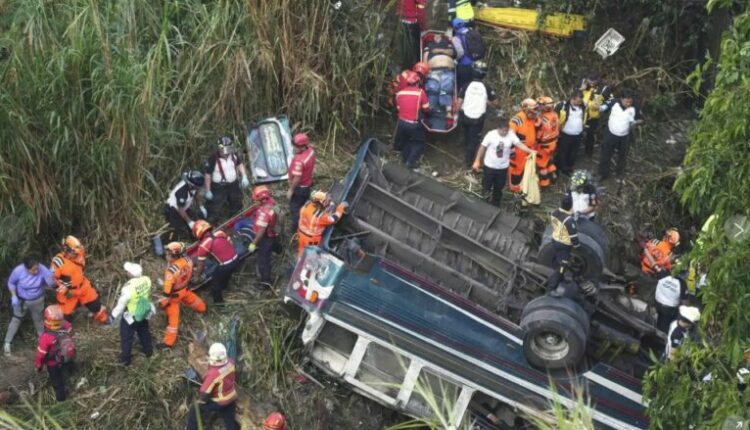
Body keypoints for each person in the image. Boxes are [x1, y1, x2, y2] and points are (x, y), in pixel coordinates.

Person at [472, 120, 534, 206]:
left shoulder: (511, 135)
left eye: (506, 130)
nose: (505, 132)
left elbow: (519, 144)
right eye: (503, 131)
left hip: (502, 168)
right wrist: (477, 160)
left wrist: (530, 151)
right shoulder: (491, 135)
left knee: (499, 188)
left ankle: (495, 204)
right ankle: (484, 202)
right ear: (498, 129)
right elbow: (482, 147)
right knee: (486, 185)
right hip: (490, 166)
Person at [50, 236, 109, 324]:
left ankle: (105, 321)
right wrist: (65, 291)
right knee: (65, 316)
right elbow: (53, 280)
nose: (76, 255)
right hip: (68, 292)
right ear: (66, 249)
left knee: (96, 306)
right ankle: (65, 330)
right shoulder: (58, 262)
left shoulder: (79, 252)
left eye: (77, 252)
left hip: (83, 287)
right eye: (73, 252)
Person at [4, 256, 55, 355]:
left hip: (37, 300)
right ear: (26, 268)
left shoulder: (42, 269)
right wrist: (13, 296)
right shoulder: (18, 271)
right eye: (33, 270)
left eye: (37, 269)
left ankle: (44, 345)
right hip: (21, 300)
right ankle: (7, 343)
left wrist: (50, 276)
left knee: (39, 321)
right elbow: (11, 283)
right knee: (16, 320)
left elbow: (51, 285)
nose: (36, 271)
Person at [159, 242, 206, 347]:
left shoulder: (171, 271)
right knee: (195, 301)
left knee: (173, 320)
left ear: (174, 255)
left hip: (174, 297)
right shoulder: (188, 260)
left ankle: (168, 342)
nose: (166, 255)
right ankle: (203, 308)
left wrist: (162, 304)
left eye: (167, 254)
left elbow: (166, 293)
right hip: (185, 290)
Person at [186, 343, 238, 430]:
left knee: (194, 409)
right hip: (232, 397)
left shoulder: (213, 374)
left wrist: (202, 401)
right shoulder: (231, 362)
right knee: (230, 422)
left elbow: (205, 393)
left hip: (220, 401)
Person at [110, 262, 154, 365]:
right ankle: (148, 351)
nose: (126, 273)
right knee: (144, 331)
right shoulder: (146, 280)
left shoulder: (128, 287)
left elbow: (121, 304)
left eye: (127, 272)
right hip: (144, 311)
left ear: (130, 274)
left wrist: (113, 315)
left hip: (132, 314)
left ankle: (125, 359)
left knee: (126, 336)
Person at [597, 92, 644, 180]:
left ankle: (619, 172)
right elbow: (604, 107)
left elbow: (641, 119)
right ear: (621, 99)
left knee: (623, 155)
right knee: (606, 153)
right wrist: (599, 108)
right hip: (610, 133)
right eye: (626, 101)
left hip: (624, 136)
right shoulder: (614, 102)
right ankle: (603, 173)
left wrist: (635, 122)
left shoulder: (635, 107)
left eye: (630, 102)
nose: (628, 104)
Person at [203, 136, 250, 223]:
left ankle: (236, 218)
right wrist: (208, 190)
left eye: (228, 149)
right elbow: (207, 175)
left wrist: (244, 176)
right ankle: (212, 222)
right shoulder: (213, 159)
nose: (226, 152)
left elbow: (240, 164)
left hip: (233, 184)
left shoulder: (233, 154)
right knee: (214, 205)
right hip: (219, 187)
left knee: (236, 201)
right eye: (224, 149)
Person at [459, 60, 495, 168]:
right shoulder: (487, 88)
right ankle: (467, 163)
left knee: (466, 133)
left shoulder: (466, 85)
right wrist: (486, 102)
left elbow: (459, 101)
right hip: (478, 119)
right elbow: (494, 103)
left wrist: (456, 112)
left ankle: (464, 147)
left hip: (465, 116)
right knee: (473, 141)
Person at [192, 221, 239, 303]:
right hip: (236, 258)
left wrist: (196, 277)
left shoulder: (203, 246)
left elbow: (201, 266)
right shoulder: (220, 233)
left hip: (226, 265)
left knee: (215, 284)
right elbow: (230, 243)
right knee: (225, 274)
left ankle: (219, 304)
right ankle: (224, 286)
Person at [34, 305, 74, 402]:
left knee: (57, 382)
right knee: (67, 368)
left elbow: (40, 355)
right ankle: (71, 374)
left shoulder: (46, 337)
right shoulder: (66, 325)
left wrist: (38, 366)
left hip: (53, 364)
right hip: (67, 356)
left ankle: (61, 400)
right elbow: (69, 329)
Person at [244, 186, 280, 290]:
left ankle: (266, 283)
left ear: (263, 199)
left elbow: (260, 232)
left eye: (257, 201)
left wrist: (254, 243)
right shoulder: (271, 201)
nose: (255, 202)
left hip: (265, 237)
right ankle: (279, 249)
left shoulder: (264, 213)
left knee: (263, 261)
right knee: (274, 243)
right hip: (272, 231)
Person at [394, 72, 430, 169]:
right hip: (413, 124)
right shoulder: (420, 92)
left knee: (405, 140)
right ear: (417, 82)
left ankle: (405, 159)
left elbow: (398, 108)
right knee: (418, 142)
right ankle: (410, 162)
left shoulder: (399, 93)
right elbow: (426, 108)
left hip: (401, 123)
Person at [298, 191, 349, 256]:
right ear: (322, 202)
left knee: (302, 253)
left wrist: (328, 206)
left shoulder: (306, 206)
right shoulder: (320, 216)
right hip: (312, 240)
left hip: (301, 235)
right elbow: (334, 218)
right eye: (326, 200)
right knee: (310, 257)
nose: (328, 202)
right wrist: (341, 207)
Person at [546, 194, 580, 291]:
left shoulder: (554, 213)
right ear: (570, 206)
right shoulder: (569, 220)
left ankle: (561, 278)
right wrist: (577, 246)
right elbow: (573, 236)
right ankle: (551, 288)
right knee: (562, 266)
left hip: (555, 240)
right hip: (564, 245)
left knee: (558, 260)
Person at [287, 133, 316, 235]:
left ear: (303, 147)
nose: (294, 148)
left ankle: (295, 230)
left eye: (296, 146)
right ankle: (305, 221)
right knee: (304, 206)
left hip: (299, 189)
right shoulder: (311, 151)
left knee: (295, 209)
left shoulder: (299, 161)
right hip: (307, 185)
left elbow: (297, 178)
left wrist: (291, 190)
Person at [164, 170, 207, 239]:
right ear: (191, 185)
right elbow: (180, 209)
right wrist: (189, 222)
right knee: (182, 230)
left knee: (197, 222)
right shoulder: (182, 192)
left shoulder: (192, 186)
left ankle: (197, 237)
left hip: (184, 207)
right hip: (173, 210)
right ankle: (184, 242)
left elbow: (196, 194)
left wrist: (201, 206)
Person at [508, 99, 540, 192]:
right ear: (525, 108)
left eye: (535, 110)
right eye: (532, 111)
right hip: (519, 150)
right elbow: (510, 136)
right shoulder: (516, 120)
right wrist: (512, 151)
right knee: (517, 170)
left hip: (530, 149)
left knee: (527, 169)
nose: (534, 113)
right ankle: (514, 188)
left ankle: (524, 185)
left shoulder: (533, 118)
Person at [554, 91, 587, 175]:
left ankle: (568, 167)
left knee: (573, 152)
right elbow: (554, 118)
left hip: (577, 135)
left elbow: (585, 116)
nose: (580, 103)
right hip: (565, 135)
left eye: (581, 101)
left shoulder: (583, 106)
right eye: (578, 101)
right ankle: (560, 168)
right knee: (563, 152)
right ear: (572, 99)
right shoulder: (562, 106)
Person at [580, 74, 613, 156]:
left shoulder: (604, 88)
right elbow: (575, 95)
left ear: (598, 79)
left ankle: (588, 153)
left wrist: (602, 108)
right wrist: (581, 89)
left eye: (593, 82)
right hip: (580, 112)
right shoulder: (584, 84)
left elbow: (610, 101)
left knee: (590, 135)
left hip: (593, 116)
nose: (591, 83)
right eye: (589, 81)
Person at [535, 96, 560, 187]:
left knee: (542, 164)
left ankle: (544, 182)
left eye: (540, 105)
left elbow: (539, 133)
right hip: (553, 142)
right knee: (549, 159)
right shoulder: (555, 115)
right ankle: (553, 175)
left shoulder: (541, 119)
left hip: (543, 145)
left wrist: (535, 142)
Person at [397, 0, 426, 69]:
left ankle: (405, 70)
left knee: (404, 50)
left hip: (401, 21)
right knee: (415, 51)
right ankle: (416, 70)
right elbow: (421, 8)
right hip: (413, 23)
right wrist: (422, 25)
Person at [451, 19, 475, 91]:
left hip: (464, 65)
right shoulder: (471, 33)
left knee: (463, 86)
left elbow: (460, 52)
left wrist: (456, 60)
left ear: (454, 28)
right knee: (471, 85)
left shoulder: (456, 38)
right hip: (474, 63)